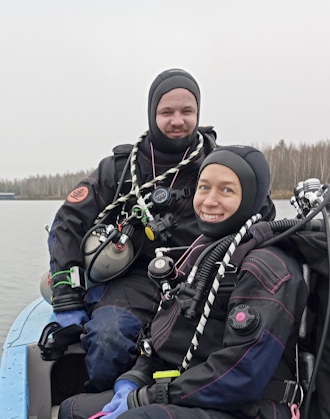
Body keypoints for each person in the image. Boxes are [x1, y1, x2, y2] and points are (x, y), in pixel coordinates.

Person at [57, 146, 308, 419]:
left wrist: (147, 401)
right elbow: (162, 339)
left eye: (226, 191)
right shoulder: (203, 254)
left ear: (251, 197)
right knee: (72, 415)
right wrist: (132, 379)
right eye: (204, 188)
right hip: (200, 407)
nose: (210, 200)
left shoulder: (268, 267)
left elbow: (241, 375)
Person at [46, 68, 219, 392]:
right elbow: (67, 223)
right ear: (152, 114)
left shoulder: (220, 165)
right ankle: (99, 409)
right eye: (167, 112)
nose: (178, 120)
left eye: (187, 111)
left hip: (204, 277)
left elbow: (258, 214)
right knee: (108, 337)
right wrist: (67, 298)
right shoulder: (121, 169)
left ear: (198, 113)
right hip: (136, 278)